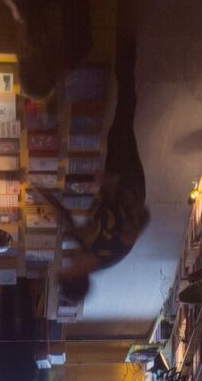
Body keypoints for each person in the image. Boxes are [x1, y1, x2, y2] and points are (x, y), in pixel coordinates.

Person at [39, 34, 150, 305]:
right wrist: (113, 188)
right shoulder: (109, 250)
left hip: (111, 182)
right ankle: (126, 58)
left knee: (118, 128)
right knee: (123, 124)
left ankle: (124, 63)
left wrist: (35, 189)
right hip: (128, 181)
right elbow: (143, 216)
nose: (63, 265)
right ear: (75, 276)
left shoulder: (86, 248)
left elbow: (64, 218)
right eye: (65, 272)